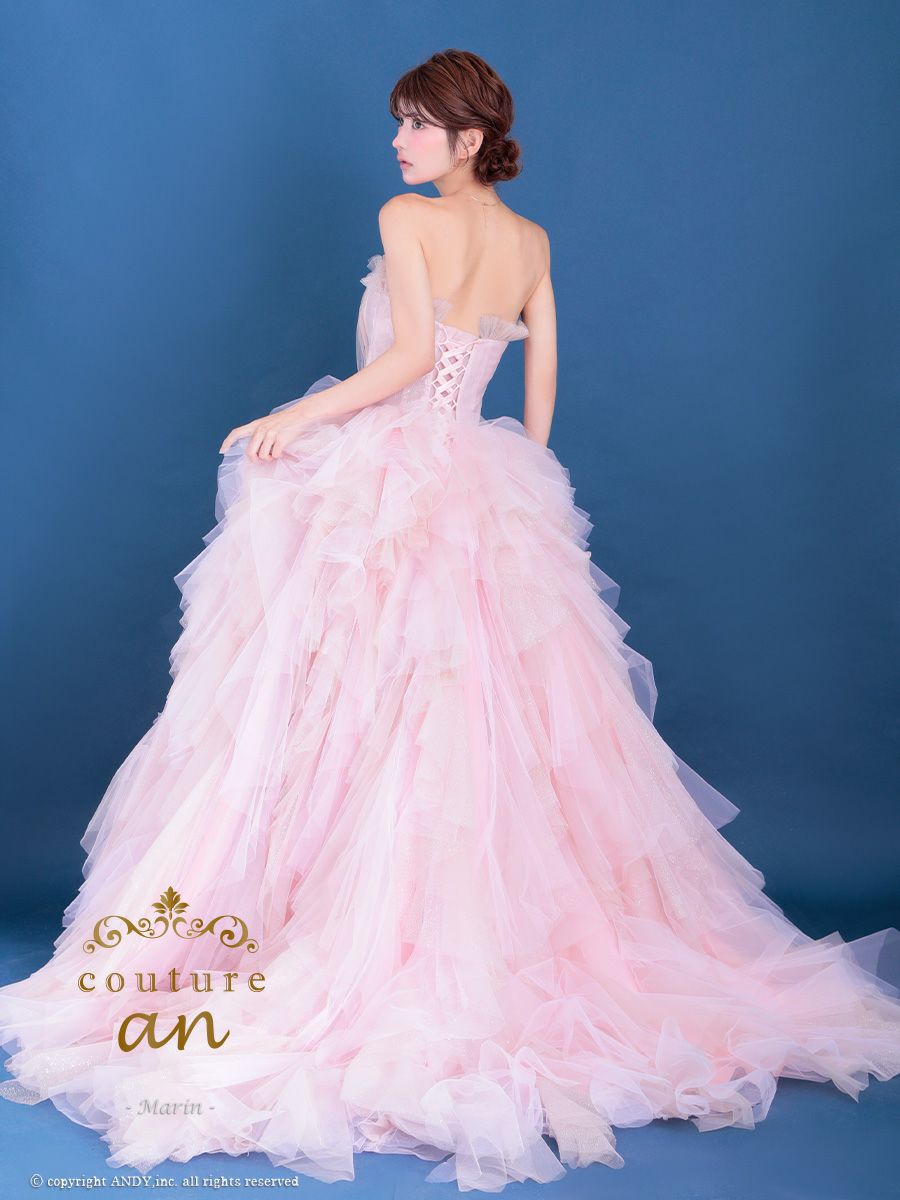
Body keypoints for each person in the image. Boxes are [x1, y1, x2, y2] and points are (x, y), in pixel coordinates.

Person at [1, 47, 899, 1192]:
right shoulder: (532, 242)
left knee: (355, 706)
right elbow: (541, 385)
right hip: (483, 477)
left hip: (390, 474)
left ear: (467, 137)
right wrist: (519, 484)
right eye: (399, 124)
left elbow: (416, 357)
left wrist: (297, 415)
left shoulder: (407, 218)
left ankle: (364, 940)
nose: (397, 142)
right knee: (473, 721)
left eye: (416, 125)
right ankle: (454, 938)